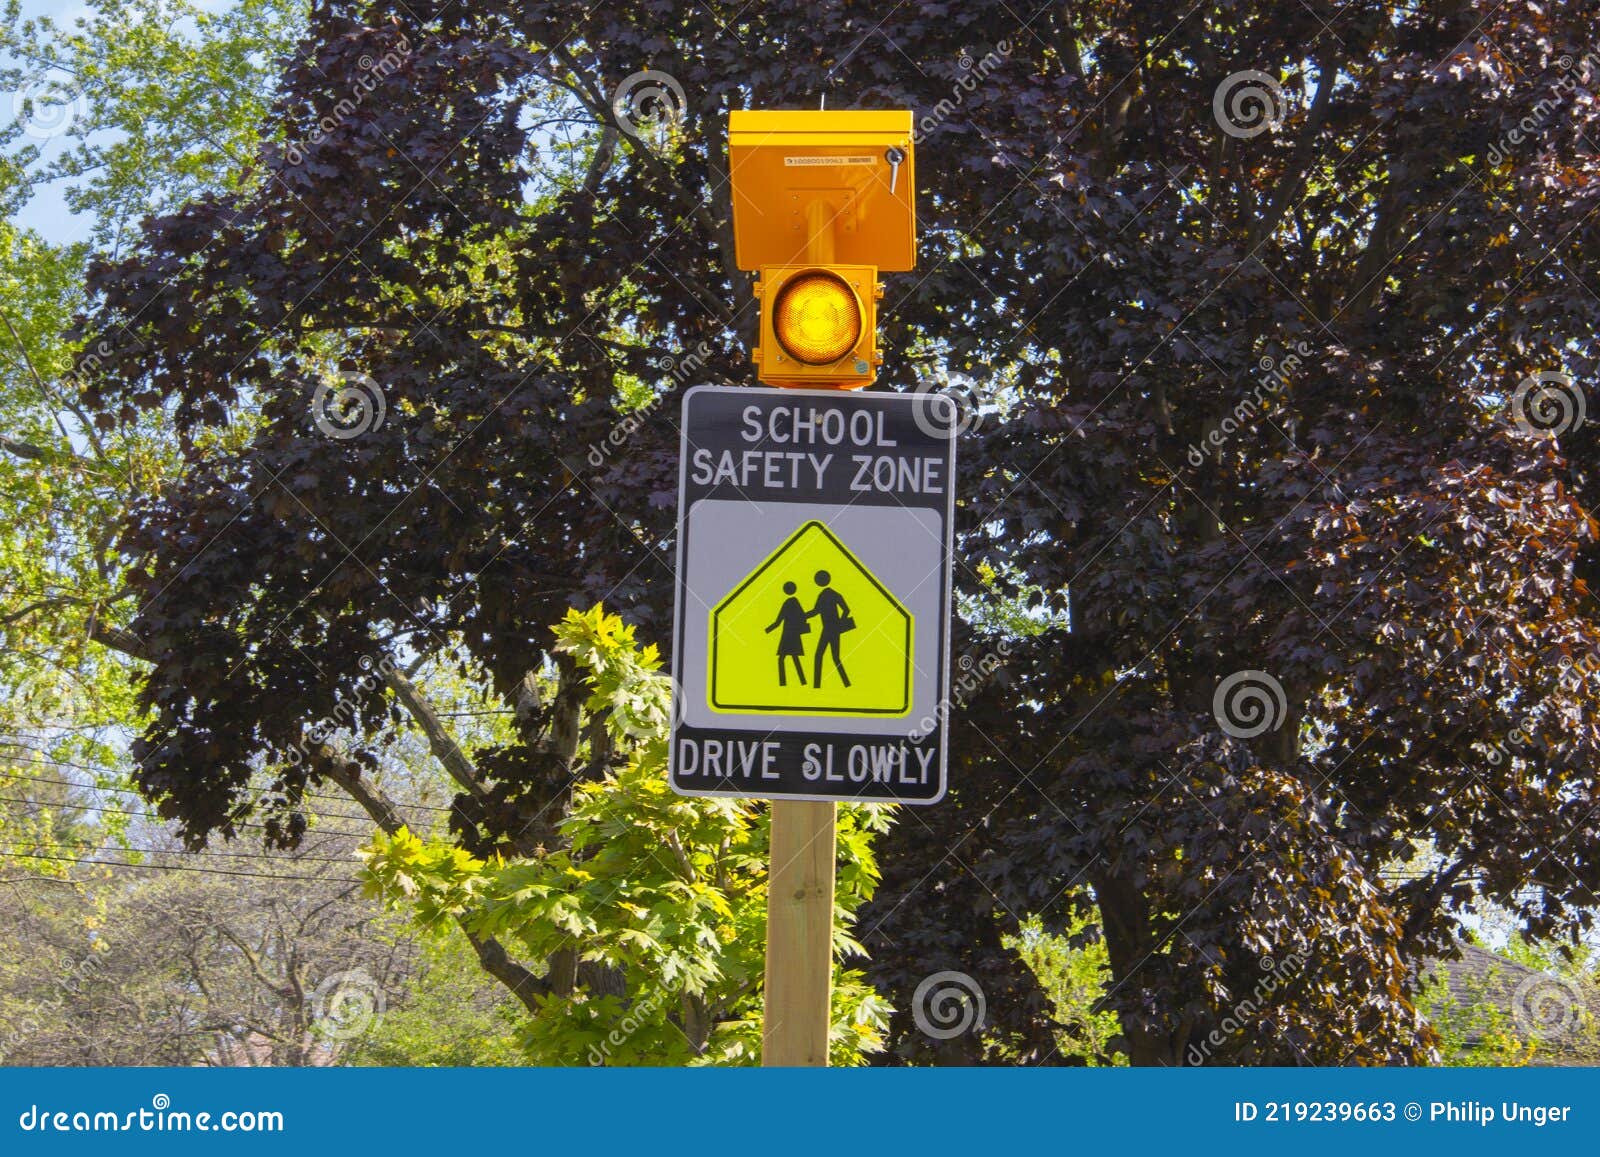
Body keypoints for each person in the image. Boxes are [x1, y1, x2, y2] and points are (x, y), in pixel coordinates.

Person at [806, 570, 853, 689]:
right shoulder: (833, 594)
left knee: (819, 655)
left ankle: (817, 685)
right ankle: (846, 683)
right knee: (834, 657)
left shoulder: (823, 595)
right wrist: (839, 623)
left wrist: (802, 616)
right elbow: (846, 610)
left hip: (828, 629)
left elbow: (815, 611)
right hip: (832, 629)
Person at [765, 581, 810, 686]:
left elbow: (778, 622)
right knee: (794, 657)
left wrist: (767, 630)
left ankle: (783, 682)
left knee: (782, 659)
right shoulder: (796, 602)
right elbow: (803, 617)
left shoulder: (787, 603)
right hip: (794, 634)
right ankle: (802, 681)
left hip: (787, 635)